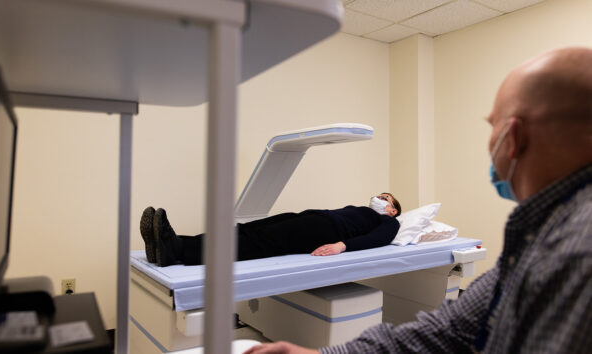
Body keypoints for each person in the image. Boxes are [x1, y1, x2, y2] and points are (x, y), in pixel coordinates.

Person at [243, 47, 592, 354]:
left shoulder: (575, 250)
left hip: (329, 232)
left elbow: (377, 240)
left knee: (262, 239)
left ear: (511, 137)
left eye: (492, 125)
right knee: (262, 229)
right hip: (319, 218)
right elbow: (451, 328)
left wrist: (341, 245)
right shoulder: (539, 237)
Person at [140, 193, 402, 266]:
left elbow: (377, 239)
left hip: (323, 231)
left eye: (385, 198)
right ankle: (173, 243)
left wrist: (341, 246)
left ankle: (177, 251)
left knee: (257, 242)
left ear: (393, 210)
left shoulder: (390, 222)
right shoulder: (363, 210)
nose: (378, 198)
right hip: (312, 219)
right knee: (244, 229)